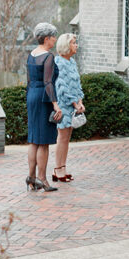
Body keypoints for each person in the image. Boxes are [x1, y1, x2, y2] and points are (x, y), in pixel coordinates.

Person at [25, 22, 62, 192]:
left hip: (32, 96)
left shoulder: (31, 55)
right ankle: (42, 179)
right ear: (46, 38)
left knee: (33, 140)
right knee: (44, 142)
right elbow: (48, 83)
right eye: (53, 37)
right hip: (43, 98)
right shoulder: (48, 57)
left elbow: (29, 81)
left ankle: (31, 178)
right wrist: (55, 105)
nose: (54, 40)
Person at [52, 33, 84, 183]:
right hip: (64, 104)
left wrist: (80, 101)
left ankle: (63, 167)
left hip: (73, 105)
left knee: (67, 137)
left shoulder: (72, 62)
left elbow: (77, 84)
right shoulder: (58, 63)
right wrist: (74, 104)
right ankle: (57, 169)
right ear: (66, 46)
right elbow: (62, 87)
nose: (76, 45)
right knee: (62, 137)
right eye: (73, 43)